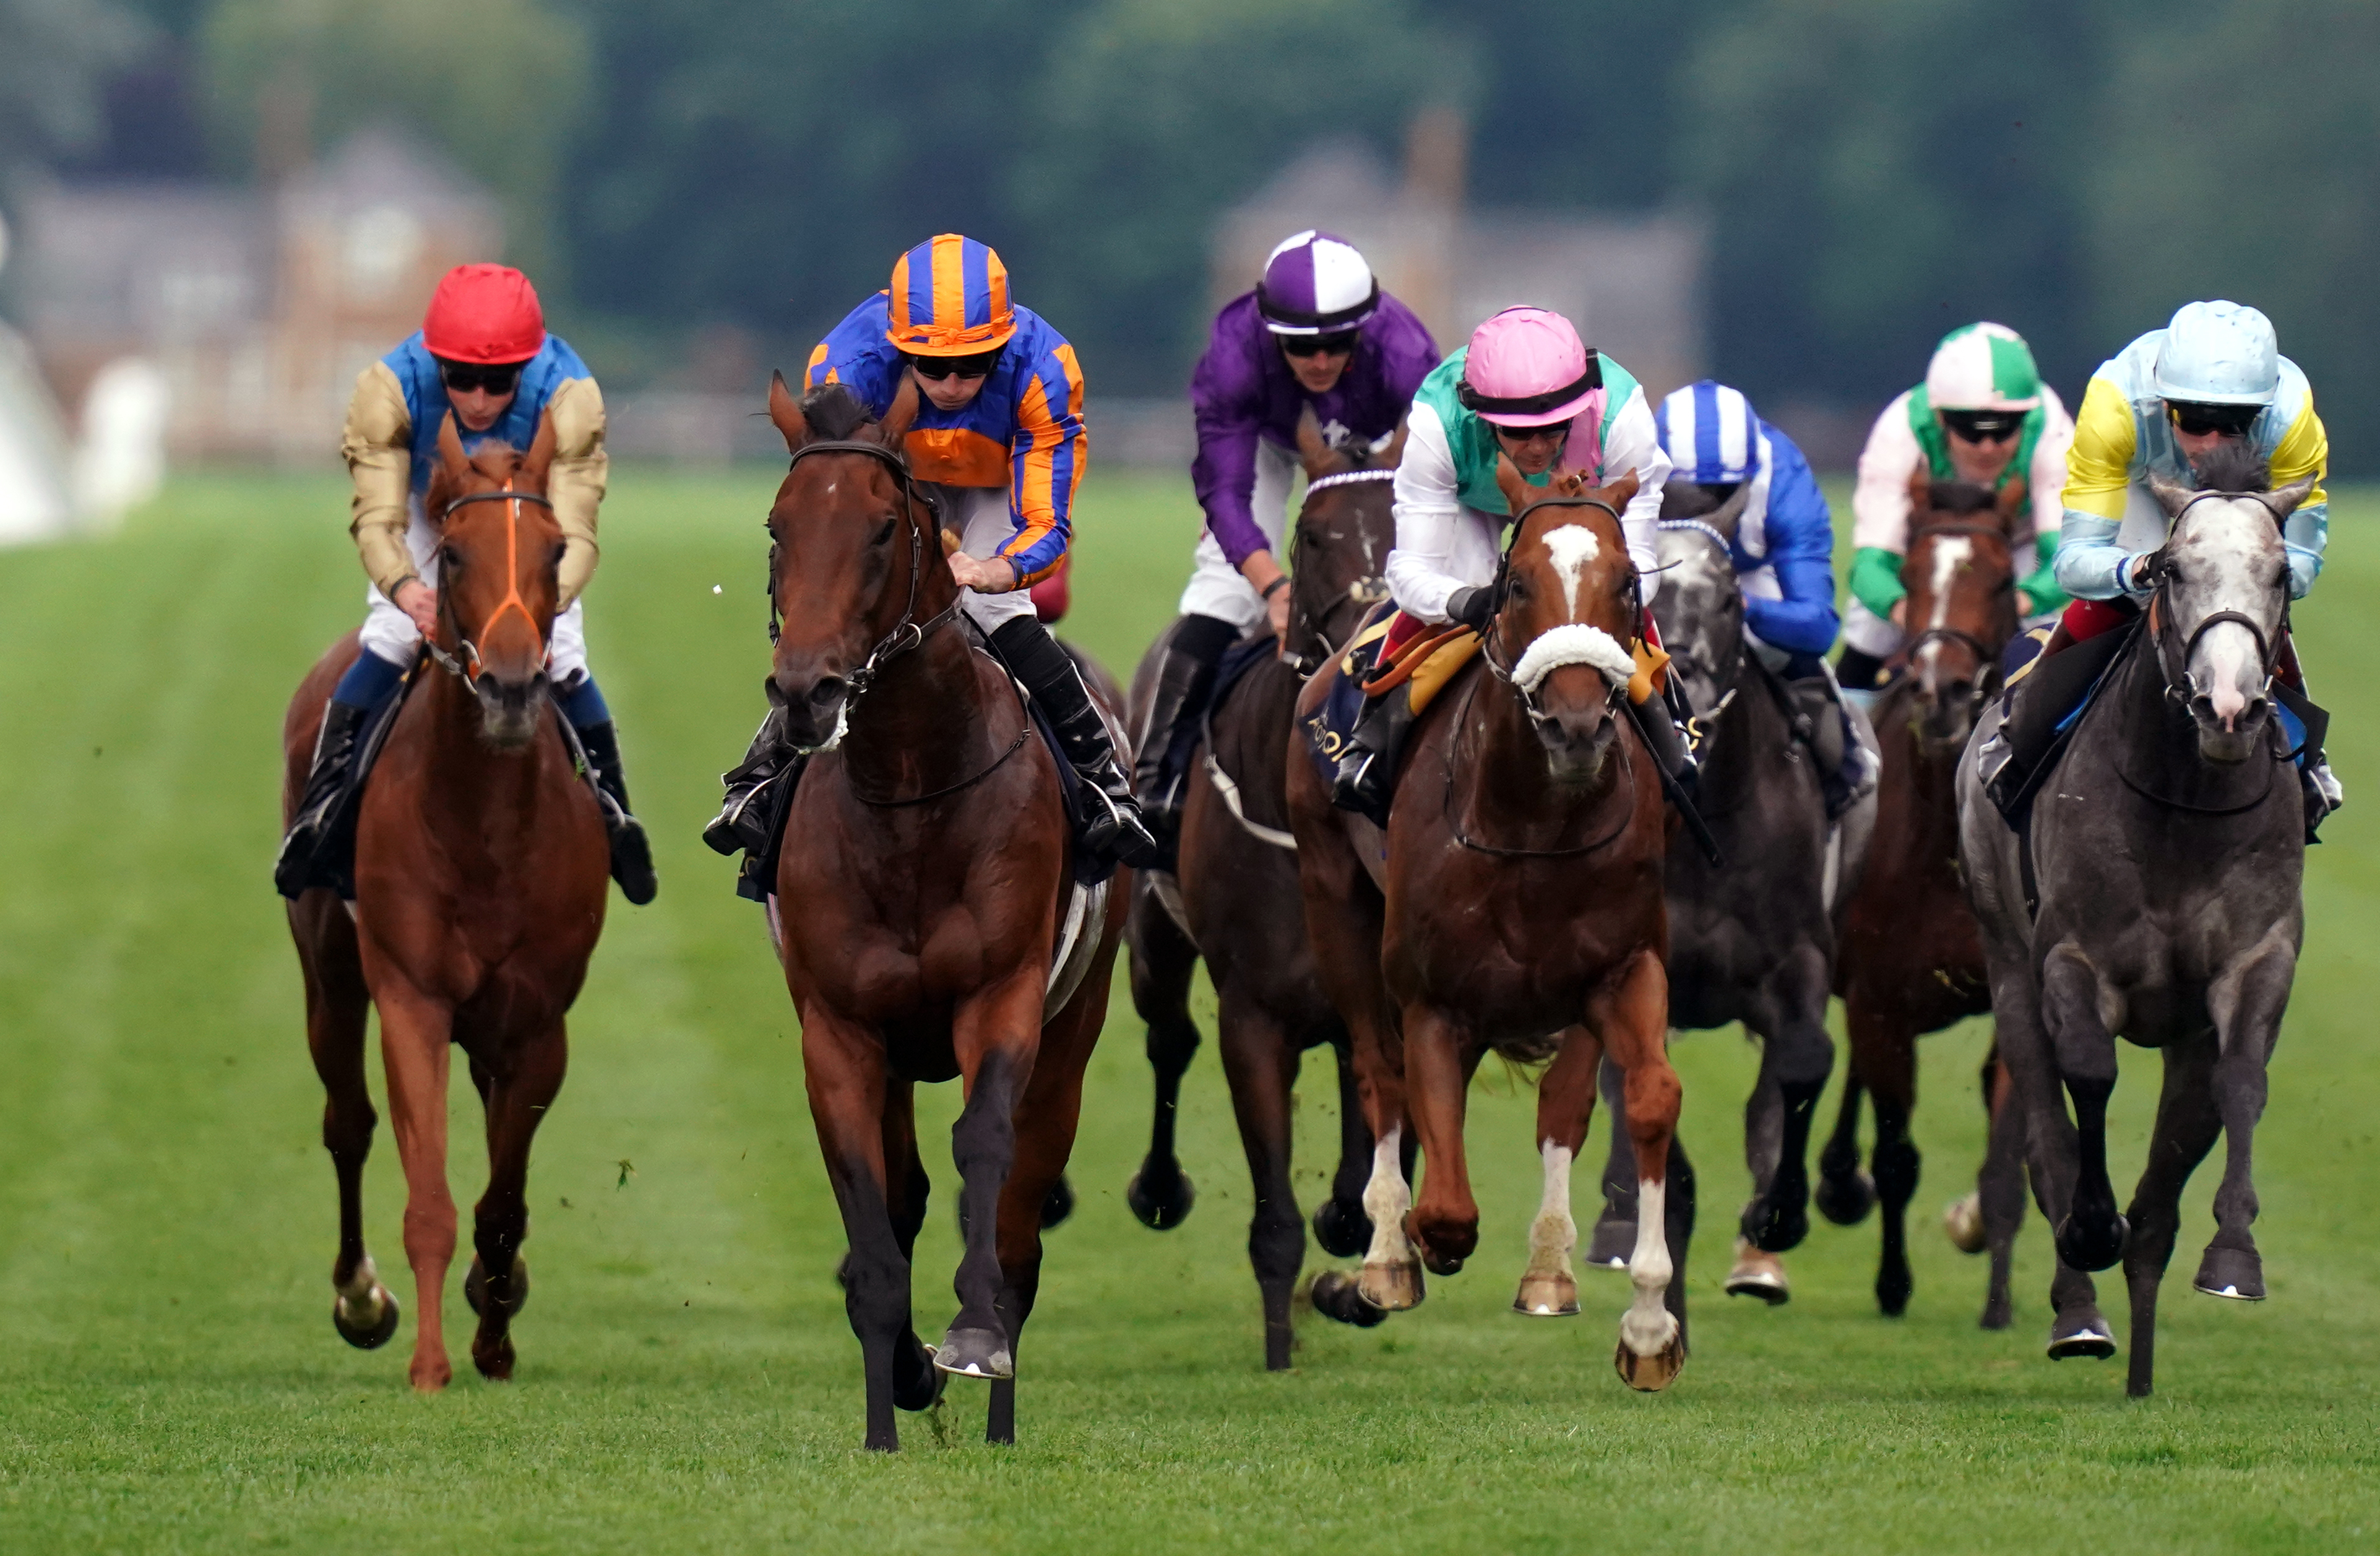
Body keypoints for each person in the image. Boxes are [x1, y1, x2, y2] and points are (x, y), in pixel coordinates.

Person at [704, 233, 1158, 876]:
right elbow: (836, 496)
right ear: (897, 348)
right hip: (894, 474)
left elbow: (1045, 525)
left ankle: (1101, 781)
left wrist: (991, 570)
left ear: (1003, 346)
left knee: (992, 612)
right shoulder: (844, 367)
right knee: (841, 621)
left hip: (1000, 482)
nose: (952, 383)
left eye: (975, 365)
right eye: (932, 365)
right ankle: (759, 780)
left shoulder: (1047, 371)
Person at [274, 263, 655, 904]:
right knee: (391, 638)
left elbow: (578, 532)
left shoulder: (570, 398)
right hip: (436, 524)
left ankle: (617, 817)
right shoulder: (388, 390)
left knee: (565, 661)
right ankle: (322, 813)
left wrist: (538, 608)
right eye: (461, 378)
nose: (478, 399)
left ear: (528, 367)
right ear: (434, 362)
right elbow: (377, 515)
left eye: (499, 381)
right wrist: (404, 588)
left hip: (532, 535)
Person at [1981, 300, 2338, 829]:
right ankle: (2018, 738)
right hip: (2142, 491)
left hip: (2244, 501)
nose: (2211, 444)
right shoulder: (2116, 404)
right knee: (2122, 601)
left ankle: (2309, 765)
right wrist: (2139, 570)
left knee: (2246, 600)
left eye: (2234, 425)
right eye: (2194, 422)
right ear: (2165, 405)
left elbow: (2304, 558)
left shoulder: (2291, 417)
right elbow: (2074, 561)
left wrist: (2256, 576)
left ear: (2262, 414)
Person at [1132, 230, 1438, 843]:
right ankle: (1155, 782)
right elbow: (1224, 492)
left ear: (1365, 326)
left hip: (1383, 449)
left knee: (1416, 584)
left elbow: (1441, 458)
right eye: (1302, 347)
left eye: (1337, 344)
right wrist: (1271, 585)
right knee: (1224, 589)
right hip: (1271, 444)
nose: (1321, 361)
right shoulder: (1233, 358)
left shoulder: (1406, 351)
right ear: (1272, 333)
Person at [1330, 305, 1680, 818]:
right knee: (1463, 600)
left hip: (1586, 505)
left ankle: (1678, 736)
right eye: (1518, 432)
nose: (1538, 447)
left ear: (1580, 408)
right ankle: (1372, 745)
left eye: (1555, 427)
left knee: (1608, 595)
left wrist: (1597, 599)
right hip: (1474, 504)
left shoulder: (1622, 417)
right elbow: (1410, 572)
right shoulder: (1436, 422)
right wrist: (1467, 599)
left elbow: (1640, 561)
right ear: (1483, 416)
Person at [1653, 380, 1874, 815]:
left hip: (1749, 582)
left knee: (1794, 664)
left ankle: (1843, 776)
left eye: (1722, 495)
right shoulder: (1635, 470)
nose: (1703, 506)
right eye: (1685, 493)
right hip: (1665, 581)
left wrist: (1743, 611)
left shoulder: (1784, 478)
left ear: (1751, 477)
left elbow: (1817, 625)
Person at [1840, 322, 2072, 699]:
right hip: (1930, 549)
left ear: (2026, 419)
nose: (1987, 447)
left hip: (2018, 546)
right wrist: (1903, 608)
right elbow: (1870, 565)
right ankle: (1850, 731)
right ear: (1941, 419)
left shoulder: (2054, 433)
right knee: (1870, 628)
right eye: (1970, 429)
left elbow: (2064, 559)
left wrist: (2020, 600)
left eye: (2004, 430)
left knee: (2042, 629)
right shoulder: (1901, 429)